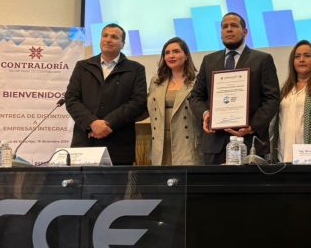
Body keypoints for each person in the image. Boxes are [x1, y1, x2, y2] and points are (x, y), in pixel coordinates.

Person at [189, 12, 280, 164]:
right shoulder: (209, 60)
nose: (229, 29)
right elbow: (195, 96)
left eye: (234, 26)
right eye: (225, 26)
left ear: (245, 31)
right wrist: (205, 114)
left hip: (250, 142)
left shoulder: (262, 59)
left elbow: (272, 98)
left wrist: (252, 125)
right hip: (214, 143)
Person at [65, 23, 147, 165]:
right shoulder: (83, 66)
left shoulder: (136, 69)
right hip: (85, 142)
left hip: (118, 144)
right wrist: (92, 123)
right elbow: (71, 99)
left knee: (117, 180)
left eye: (114, 37)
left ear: (123, 44)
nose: (108, 40)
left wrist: (107, 124)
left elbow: (137, 102)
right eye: (105, 36)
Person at [148, 37, 203, 166]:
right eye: (167, 53)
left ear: (186, 56)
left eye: (176, 51)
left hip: (187, 143)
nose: (171, 56)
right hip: (161, 144)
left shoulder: (198, 80)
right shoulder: (156, 81)